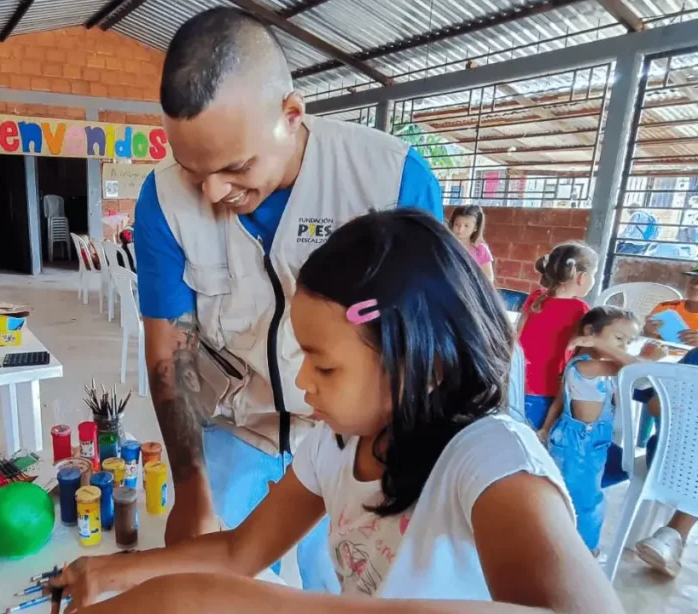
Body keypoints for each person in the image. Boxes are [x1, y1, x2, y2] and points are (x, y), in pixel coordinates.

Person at [50, 210, 623, 614]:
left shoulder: (492, 461)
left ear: (424, 365)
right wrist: (114, 572)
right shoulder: (339, 444)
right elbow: (238, 551)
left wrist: (223, 602)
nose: (302, 384)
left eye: (325, 368)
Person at [133, 8, 441, 591]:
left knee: (349, 585)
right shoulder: (163, 201)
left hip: (354, 439)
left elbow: (418, 352)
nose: (214, 193)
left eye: (235, 167)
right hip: (232, 426)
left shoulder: (391, 179)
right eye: (193, 170)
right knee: (217, 580)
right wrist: (192, 489)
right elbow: (168, 356)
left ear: (291, 114)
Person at [536, 306, 643, 554]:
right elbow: (638, 370)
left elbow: (560, 401)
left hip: (581, 441)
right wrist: (600, 345)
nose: (622, 348)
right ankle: (582, 552)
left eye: (628, 342)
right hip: (581, 446)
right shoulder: (588, 367)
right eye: (618, 339)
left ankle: (562, 545)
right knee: (585, 501)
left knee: (574, 495)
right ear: (590, 332)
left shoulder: (591, 365)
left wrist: (544, 428)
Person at [632, 345, 698, 577]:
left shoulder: (695, 355)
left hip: (663, 461)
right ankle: (672, 534)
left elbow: (654, 405)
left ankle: (671, 539)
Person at [517, 242, 597, 430]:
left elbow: (517, 336)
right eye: (593, 274)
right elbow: (582, 354)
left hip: (519, 381)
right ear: (582, 277)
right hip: (549, 390)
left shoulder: (536, 296)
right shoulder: (580, 309)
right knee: (539, 440)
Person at [643, 263, 698, 346]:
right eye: (693, 279)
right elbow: (648, 341)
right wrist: (648, 332)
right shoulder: (666, 307)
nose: (695, 285)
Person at [449, 205, 494, 283]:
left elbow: (488, 278)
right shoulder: (446, 245)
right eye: (457, 224)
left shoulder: (481, 249)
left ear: (475, 228)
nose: (460, 229)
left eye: (466, 226)